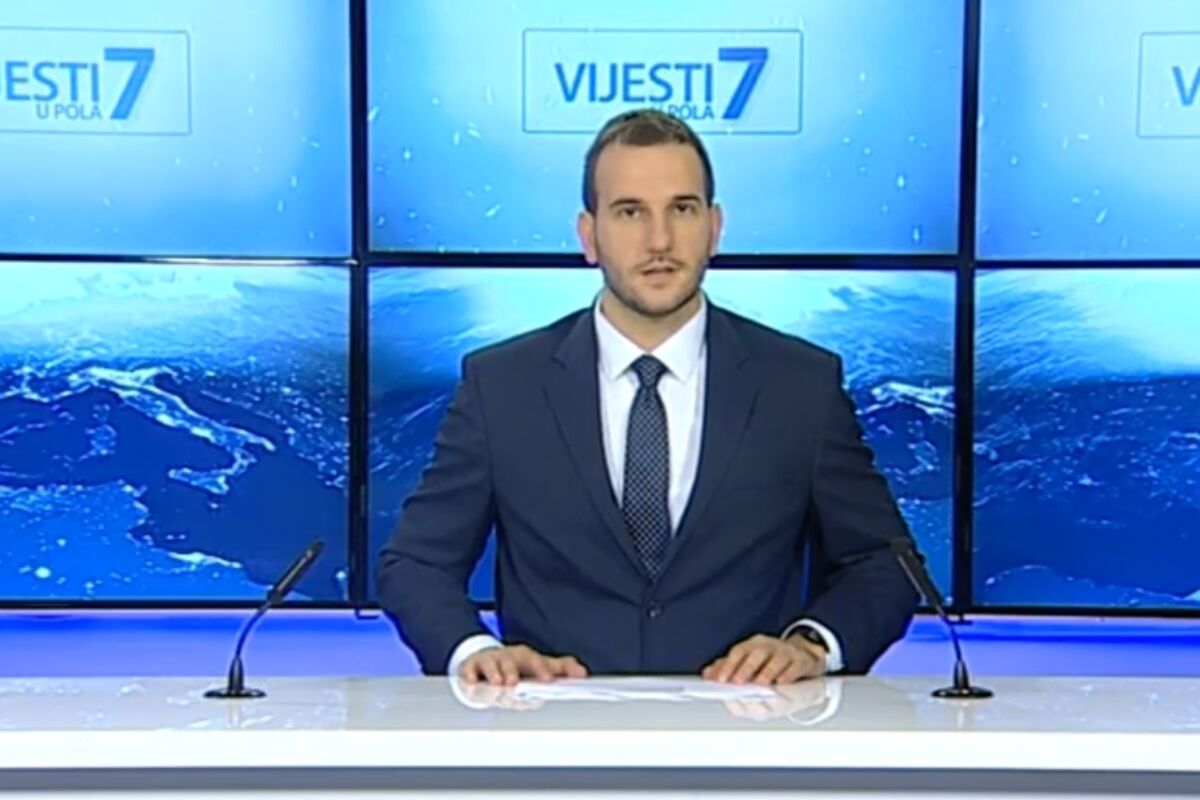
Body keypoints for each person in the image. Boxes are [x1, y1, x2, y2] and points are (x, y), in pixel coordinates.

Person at [377, 108, 919, 686]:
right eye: (630, 211)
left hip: (750, 727)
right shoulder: (503, 385)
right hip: (554, 724)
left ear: (714, 227)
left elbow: (885, 565)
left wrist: (811, 645)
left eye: (682, 209)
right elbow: (415, 564)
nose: (660, 240)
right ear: (589, 236)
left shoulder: (800, 385)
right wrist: (475, 651)